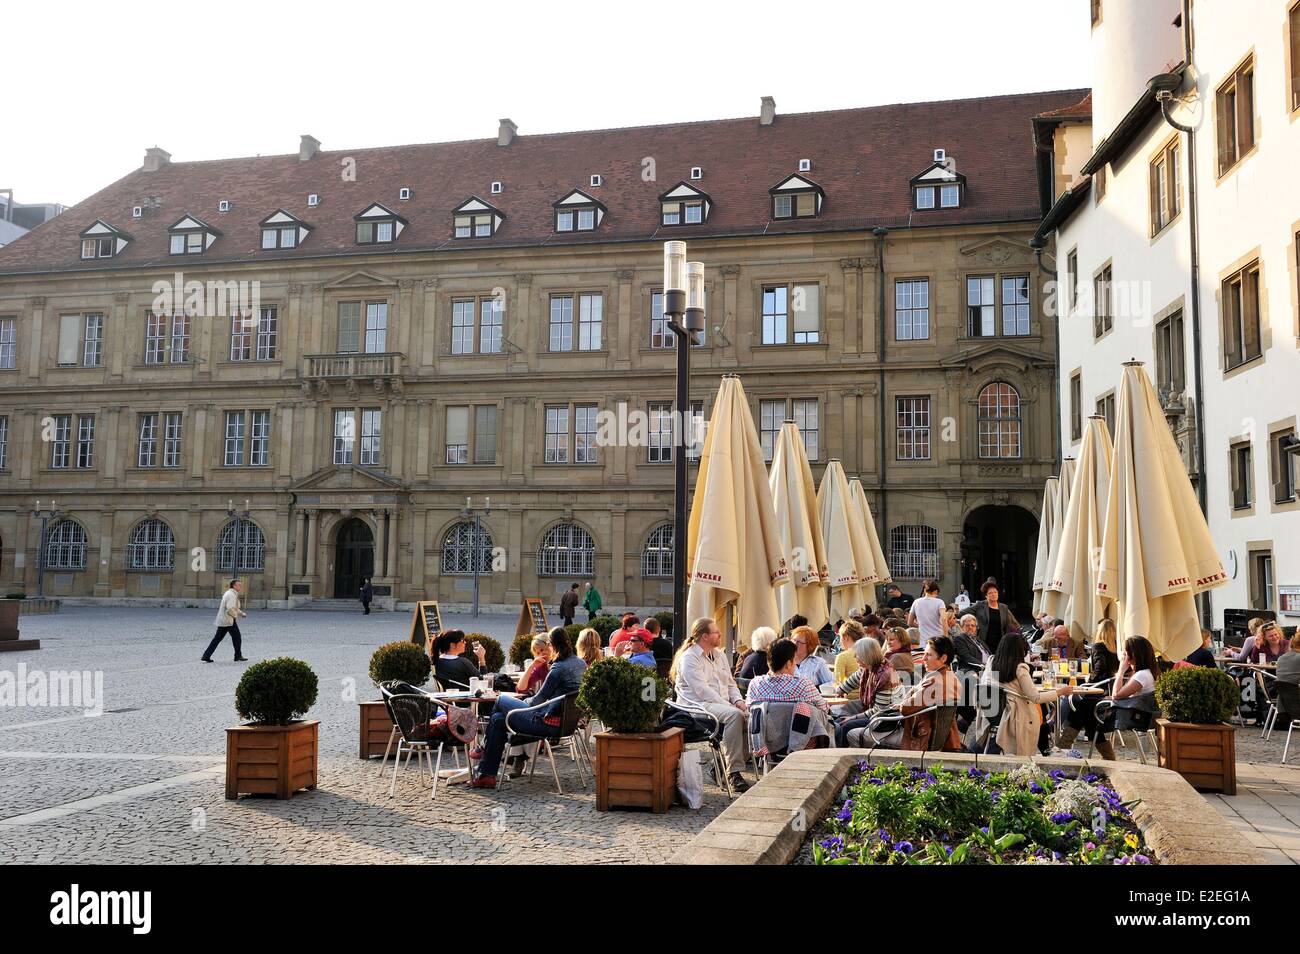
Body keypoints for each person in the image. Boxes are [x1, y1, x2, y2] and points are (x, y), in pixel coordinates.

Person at [471, 628, 587, 789]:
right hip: (567, 724)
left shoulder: (557, 669)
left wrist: (522, 701)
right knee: (498, 719)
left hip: (547, 724)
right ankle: (486, 775)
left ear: (551, 646)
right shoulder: (580, 664)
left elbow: (536, 701)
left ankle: (484, 748)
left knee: (500, 700)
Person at [671, 617, 751, 793]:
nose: (720, 634)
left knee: (750, 716)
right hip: (697, 707)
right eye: (716, 632)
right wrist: (732, 708)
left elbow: (731, 684)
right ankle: (734, 773)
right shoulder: (689, 658)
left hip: (718, 704)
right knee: (735, 716)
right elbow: (703, 692)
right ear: (705, 637)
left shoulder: (720, 655)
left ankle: (722, 767)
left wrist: (739, 702)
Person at [849, 636, 962, 750]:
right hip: (936, 736)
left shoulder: (934, 681)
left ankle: (865, 765)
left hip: (918, 737)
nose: (923, 658)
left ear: (943, 658)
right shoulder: (952, 678)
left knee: (852, 734)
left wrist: (905, 701)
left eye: (929, 654)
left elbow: (906, 709)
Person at [978, 631, 1073, 756]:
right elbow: (1036, 697)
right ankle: (1046, 749)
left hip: (991, 712)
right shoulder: (1019, 668)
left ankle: (1045, 748)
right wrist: (1060, 692)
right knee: (1040, 711)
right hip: (1012, 713)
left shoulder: (991, 662)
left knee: (1040, 712)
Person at [833, 636, 902, 745]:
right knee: (836, 720)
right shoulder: (867, 668)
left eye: (858, 654)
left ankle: (843, 756)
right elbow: (852, 681)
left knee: (845, 725)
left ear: (866, 655)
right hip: (873, 712)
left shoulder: (885, 675)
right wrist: (839, 691)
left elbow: (879, 709)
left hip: (885, 719)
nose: (855, 657)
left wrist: (853, 717)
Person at [746, 637, 830, 716]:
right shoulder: (804, 685)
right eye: (794, 661)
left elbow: (749, 708)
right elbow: (824, 708)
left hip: (765, 730)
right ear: (788, 664)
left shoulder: (755, 684)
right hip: (798, 731)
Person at [203, 579, 249, 663]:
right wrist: (236, 616)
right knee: (237, 637)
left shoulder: (230, 593)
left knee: (217, 639)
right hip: (229, 620)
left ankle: (206, 655)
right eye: (239, 585)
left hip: (224, 620)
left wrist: (241, 613)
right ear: (234, 586)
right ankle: (238, 656)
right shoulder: (231, 595)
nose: (240, 586)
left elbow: (234, 608)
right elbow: (230, 609)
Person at [972, 578, 1019, 655]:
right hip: (984, 643)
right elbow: (963, 613)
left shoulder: (1003, 607)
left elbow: (1014, 623)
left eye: (995, 592)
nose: (993, 594)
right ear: (986, 596)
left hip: (1000, 643)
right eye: (990, 593)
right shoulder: (980, 605)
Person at [834, 619, 865, 685]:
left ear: (846, 637)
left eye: (840, 637)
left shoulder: (843, 657)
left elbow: (838, 683)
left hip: (850, 694)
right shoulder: (868, 653)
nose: (840, 641)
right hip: (869, 694)